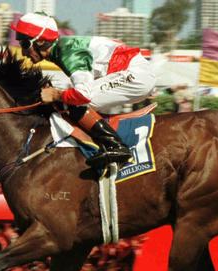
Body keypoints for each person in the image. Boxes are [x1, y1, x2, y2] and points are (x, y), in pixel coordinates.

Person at [11, 12, 156, 167]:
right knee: (68, 99)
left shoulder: (68, 51)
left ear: (40, 41)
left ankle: (116, 146)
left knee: (74, 101)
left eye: (25, 44)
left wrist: (55, 94)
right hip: (134, 73)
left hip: (136, 76)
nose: (24, 52)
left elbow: (82, 94)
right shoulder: (61, 50)